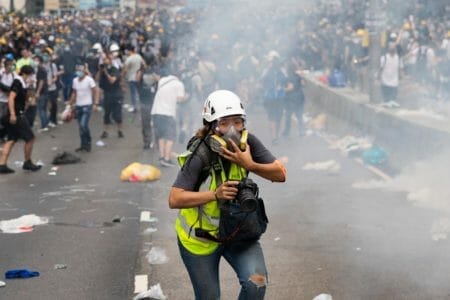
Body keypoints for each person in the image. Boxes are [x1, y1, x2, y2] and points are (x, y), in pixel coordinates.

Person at [169, 90, 286, 300]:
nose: (232, 130)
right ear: (211, 126)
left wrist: (249, 164)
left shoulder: (248, 144)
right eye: (224, 123)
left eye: (237, 122)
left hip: (237, 233)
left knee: (256, 284)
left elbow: (280, 174)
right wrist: (214, 194)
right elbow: (175, 199)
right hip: (200, 240)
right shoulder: (201, 153)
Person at [0, 65, 41, 174]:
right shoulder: (17, 82)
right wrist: (13, 114)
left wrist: (30, 87)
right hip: (17, 115)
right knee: (30, 138)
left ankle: (2, 164)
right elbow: (11, 98)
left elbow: (28, 98)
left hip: (17, 114)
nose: (31, 77)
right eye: (30, 75)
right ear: (25, 74)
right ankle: (27, 162)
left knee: (12, 139)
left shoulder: (23, 84)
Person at [151, 67, 186, 166]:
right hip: (168, 113)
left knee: (161, 135)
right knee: (170, 136)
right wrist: (185, 97)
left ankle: (162, 157)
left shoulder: (162, 81)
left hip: (156, 112)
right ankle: (166, 159)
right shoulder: (179, 84)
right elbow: (179, 99)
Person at [69, 64, 100, 152]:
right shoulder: (75, 81)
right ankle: (83, 144)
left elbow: (96, 91)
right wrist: (70, 104)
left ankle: (88, 142)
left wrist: (96, 103)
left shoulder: (89, 80)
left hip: (87, 105)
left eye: (80, 70)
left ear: (84, 71)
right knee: (80, 127)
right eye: (77, 70)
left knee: (83, 125)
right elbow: (74, 93)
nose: (78, 72)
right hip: (78, 106)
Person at [97, 55, 124, 139]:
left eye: (106, 59)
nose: (104, 61)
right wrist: (100, 71)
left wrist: (105, 72)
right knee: (106, 114)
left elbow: (112, 80)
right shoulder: (102, 71)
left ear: (110, 60)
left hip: (116, 95)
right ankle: (105, 131)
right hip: (107, 95)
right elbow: (97, 79)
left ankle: (120, 130)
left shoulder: (114, 69)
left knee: (117, 115)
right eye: (103, 59)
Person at [123, 45, 145, 113]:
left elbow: (125, 70)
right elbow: (144, 64)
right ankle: (141, 106)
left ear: (129, 51)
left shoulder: (129, 59)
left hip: (131, 78)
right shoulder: (139, 56)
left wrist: (122, 76)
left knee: (133, 93)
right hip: (138, 77)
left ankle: (134, 107)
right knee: (139, 92)